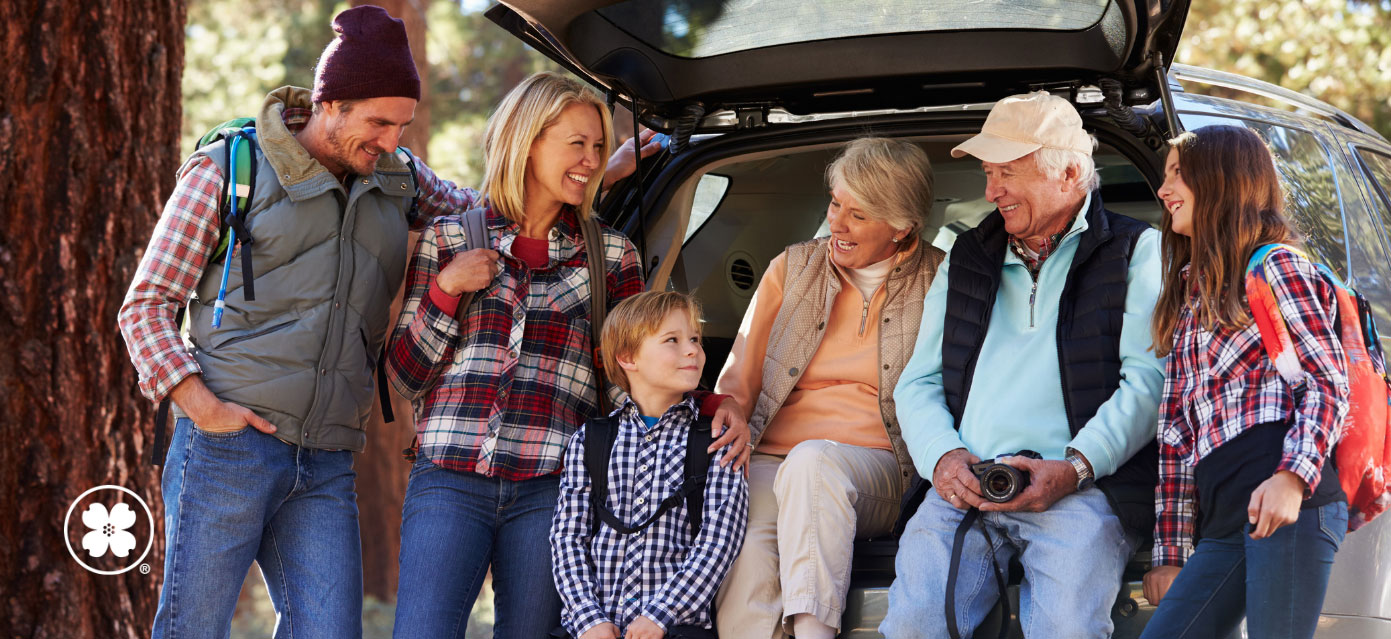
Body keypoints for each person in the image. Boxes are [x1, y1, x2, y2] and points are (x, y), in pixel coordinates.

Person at [117, 8, 653, 636]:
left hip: (326, 458)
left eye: (402, 124)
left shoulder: (397, 178)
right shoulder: (229, 170)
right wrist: (200, 404)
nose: (393, 139)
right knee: (192, 627)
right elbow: (146, 305)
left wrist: (596, 172)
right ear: (331, 104)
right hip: (229, 445)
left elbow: (503, 207)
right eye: (379, 122)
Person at [386, 72, 750, 639]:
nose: (591, 159)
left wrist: (713, 402)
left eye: (599, 147)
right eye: (576, 143)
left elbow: (639, 366)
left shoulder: (613, 257)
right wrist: (445, 290)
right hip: (449, 477)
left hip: (553, 487)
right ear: (528, 142)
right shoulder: (450, 239)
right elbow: (407, 375)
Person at [879, 91, 1166, 639]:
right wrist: (944, 458)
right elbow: (918, 382)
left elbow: (1147, 383)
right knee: (914, 626)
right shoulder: (966, 256)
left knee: (1065, 629)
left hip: (1081, 489)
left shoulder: (1138, 249)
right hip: (966, 485)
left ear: (1070, 172)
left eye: (1007, 172)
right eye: (988, 173)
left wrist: (1076, 467)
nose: (991, 192)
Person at [712, 137, 945, 639]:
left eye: (858, 215)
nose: (836, 224)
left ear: (902, 226)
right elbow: (739, 376)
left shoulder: (939, 278)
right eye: (836, 203)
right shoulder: (792, 267)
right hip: (771, 460)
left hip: (880, 467)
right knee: (743, 546)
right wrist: (727, 409)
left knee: (815, 462)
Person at [1140, 125, 1349, 639]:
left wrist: (1292, 479)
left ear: (1222, 181)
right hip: (1224, 521)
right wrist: (1170, 553)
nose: (1163, 191)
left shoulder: (1275, 267)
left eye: (1177, 176)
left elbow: (1326, 383)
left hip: (1288, 505)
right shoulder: (1192, 296)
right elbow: (1175, 437)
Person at [550, 291, 749, 639]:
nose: (693, 350)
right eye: (672, 340)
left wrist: (661, 615)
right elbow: (568, 537)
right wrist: (588, 621)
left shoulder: (717, 439)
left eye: (695, 340)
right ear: (627, 357)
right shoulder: (591, 440)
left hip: (674, 629)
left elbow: (720, 541)